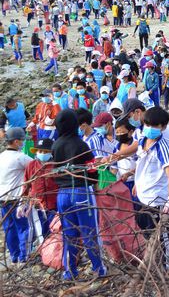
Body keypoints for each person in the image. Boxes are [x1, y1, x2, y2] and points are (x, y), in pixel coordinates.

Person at [52, 109, 106, 280]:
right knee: (89, 232)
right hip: (81, 191)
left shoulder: (55, 145)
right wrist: (96, 188)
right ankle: (99, 269)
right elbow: (91, 170)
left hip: (63, 194)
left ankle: (69, 271)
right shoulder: (81, 144)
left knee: (69, 233)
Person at [134, 107, 169, 266]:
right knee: (147, 233)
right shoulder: (142, 139)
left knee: (162, 236)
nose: (150, 129)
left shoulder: (162, 147)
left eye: (155, 126)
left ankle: (166, 268)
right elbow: (141, 162)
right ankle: (153, 263)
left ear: (163, 127)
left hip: (157, 198)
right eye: (148, 125)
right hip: (142, 196)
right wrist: (137, 184)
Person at [0, 128, 32, 263]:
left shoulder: (1, 156)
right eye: (23, 140)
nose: (24, 142)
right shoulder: (20, 157)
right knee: (24, 227)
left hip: (2, 199)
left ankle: (14, 256)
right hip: (16, 200)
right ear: (16, 141)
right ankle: (23, 257)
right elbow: (37, 166)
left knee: (9, 228)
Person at [22, 138, 58, 237]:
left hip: (54, 205)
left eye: (46, 151)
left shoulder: (56, 165)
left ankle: (53, 251)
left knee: (54, 231)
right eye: (40, 151)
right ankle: (42, 250)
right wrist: (24, 201)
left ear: (51, 152)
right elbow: (26, 183)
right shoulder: (31, 165)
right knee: (40, 232)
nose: (42, 153)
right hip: (37, 206)